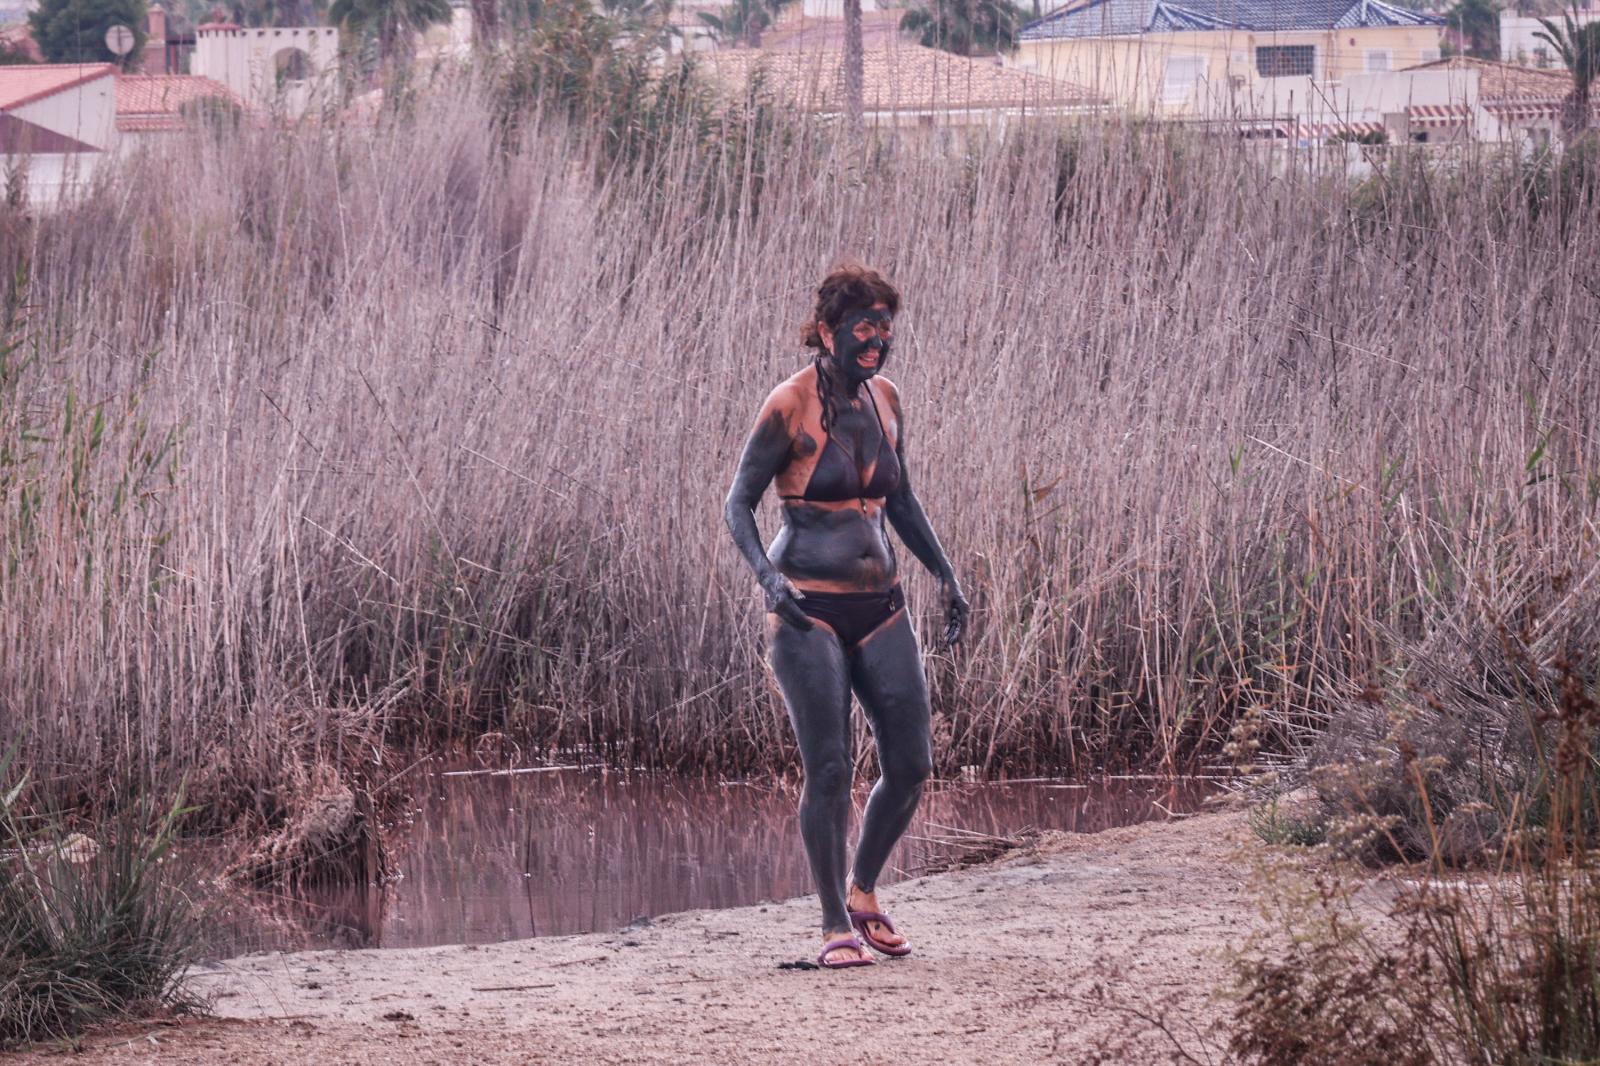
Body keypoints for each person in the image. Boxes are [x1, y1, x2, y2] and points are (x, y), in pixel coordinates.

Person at [723, 263, 969, 970]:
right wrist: (767, 579)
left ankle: (864, 890)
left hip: (882, 606)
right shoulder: (789, 405)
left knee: (912, 764)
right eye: (864, 326)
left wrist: (947, 576)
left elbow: (902, 501)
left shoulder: (887, 400)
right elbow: (737, 502)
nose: (877, 341)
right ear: (828, 330)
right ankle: (834, 922)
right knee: (829, 768)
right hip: (808, 610)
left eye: (886, 327)